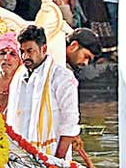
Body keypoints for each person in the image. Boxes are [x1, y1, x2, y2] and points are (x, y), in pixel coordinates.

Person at [6, 25, 80, 159]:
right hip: (19, 156)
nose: (25, 56)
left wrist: (58, 162)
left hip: (50, 155)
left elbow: (70, 122)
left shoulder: (62, 77)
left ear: (43, 49)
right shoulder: (19, 76)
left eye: (30, 51)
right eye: (22, 51)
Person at [0, 32, 21, 114]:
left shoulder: (24, 85)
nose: (6, 58)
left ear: (20, 60)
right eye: (2, 53)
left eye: (12, 54)